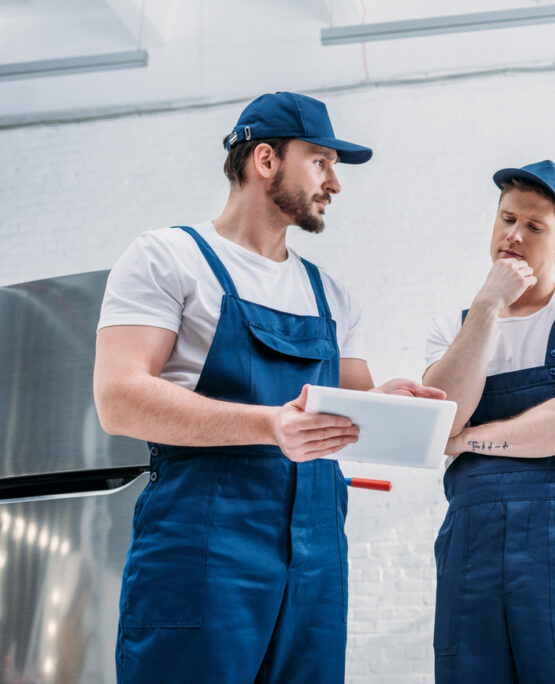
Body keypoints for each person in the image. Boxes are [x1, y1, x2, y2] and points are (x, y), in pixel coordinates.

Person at [93, 91, 443, 684]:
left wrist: (391, 402)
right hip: (205, 542)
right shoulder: (169, 257)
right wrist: (269, 424)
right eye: (321, 162)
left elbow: (354, 408)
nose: (334, 183)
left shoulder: (329, 293)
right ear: (265, 160)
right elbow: (118, 397)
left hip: (317, 556)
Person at [423, 160, 555, 683]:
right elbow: (438, 417)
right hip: (472, 547)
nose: (514, 235)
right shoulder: (455, 327)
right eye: (506, 219)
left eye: (534, 227)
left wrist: (468, 440)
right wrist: (488, 306)